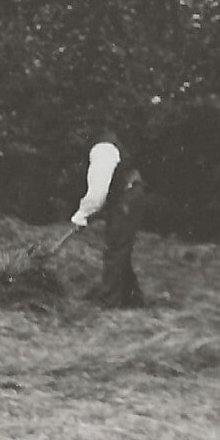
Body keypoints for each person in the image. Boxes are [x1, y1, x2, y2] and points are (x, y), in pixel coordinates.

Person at [70, 129, 146, 307]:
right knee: (120, 250)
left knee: (115, 251)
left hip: (128, 198)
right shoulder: (102, 144)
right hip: (128, 197)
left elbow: (98, 192)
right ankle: (133, 300)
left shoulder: (102, 149)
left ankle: (109, 303)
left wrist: (82, 214)